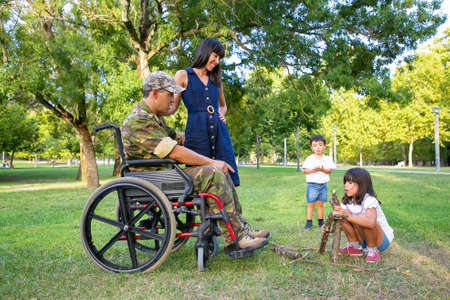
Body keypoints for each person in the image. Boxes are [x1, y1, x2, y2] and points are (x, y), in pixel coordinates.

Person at [120, 71, 268, 256]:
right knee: (213, 172)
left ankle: (240, 226)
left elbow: (180, 139)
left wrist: (205, 132)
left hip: (162, 176)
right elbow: (174, 151)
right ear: (156, 92)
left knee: (222, 169)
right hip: (155, 180)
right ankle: (235, 238)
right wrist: (211, 162)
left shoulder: (153, 117)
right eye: (170, 94)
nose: (174, 100)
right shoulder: (140, 119)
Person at [171, 38, 240, 186]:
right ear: (205, 52)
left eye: (219, 58)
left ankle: (224, 208)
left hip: (219, 132)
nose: (217, 61)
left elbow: (223, 106)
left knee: (226, 175)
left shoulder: (216, 79)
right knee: (201, 178)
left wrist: (221, 114)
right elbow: (172, 108)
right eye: (215, 56)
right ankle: (204, 209)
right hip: (196, 132)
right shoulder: (183, 75)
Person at [331, 168, 394, 263]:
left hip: (380, 240)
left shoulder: (369, 200)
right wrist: (328, 229)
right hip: (363, 238)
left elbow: (371, 223)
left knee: (365, 220)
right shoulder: (347, 201)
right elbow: (341, 223)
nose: (345, 185)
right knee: (342, 217)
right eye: (345, 182)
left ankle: (372, 251)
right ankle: (354, 246)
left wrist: (348, 215)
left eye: (350, 183)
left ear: (362, 185)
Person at [302, 135, 336, 230]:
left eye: (320, 145)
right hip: (312, 185)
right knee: (311, 204)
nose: (318, 147)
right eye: (315, 145)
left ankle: (321, 222)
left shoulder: (327, 158)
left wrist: (322, 169)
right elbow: (305, 170)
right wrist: (314, 170)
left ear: (324, 146)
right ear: (311, 147)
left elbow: (329, 171)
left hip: (323, 185)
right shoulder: (309, 158)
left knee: (320, 204)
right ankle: (309, 222)